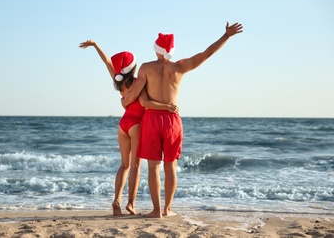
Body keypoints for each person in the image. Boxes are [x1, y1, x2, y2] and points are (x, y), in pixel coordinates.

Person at [121, 22, 244, 218]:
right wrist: (226, 36)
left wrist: (124, 101)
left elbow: (135, 95)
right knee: (171, 167)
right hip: (172, 120)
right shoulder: (180, 66)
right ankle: (168, 209)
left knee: (153, 167)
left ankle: (155, 210)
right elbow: (206, 54)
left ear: (157, 49)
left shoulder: (146, 68)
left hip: (152, 119)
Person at [79, 40, 179, 216]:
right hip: (137, 126)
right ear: (133, 68)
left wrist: (95, 45)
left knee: (124, 165)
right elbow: (144, 102)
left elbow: (107, 62)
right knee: (135, 166)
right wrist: (168, 107)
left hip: (123, 124)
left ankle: (117, 200)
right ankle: (131, 204)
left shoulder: (118, 82)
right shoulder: (138, 83)